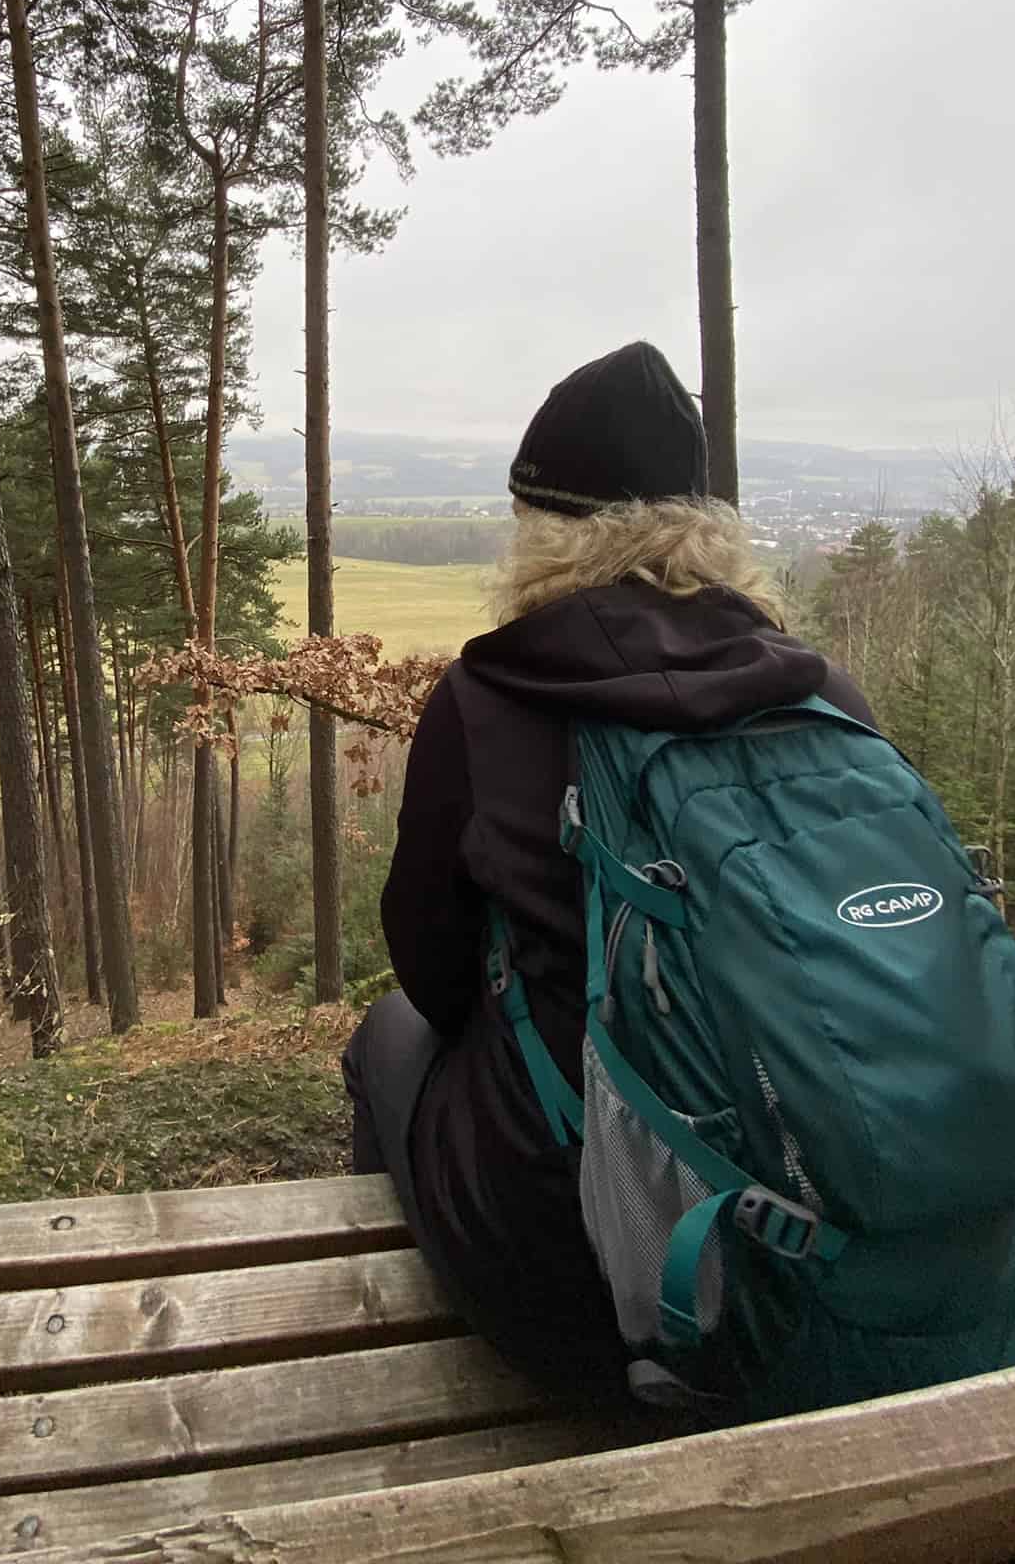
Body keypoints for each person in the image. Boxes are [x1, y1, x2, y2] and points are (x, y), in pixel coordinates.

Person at [342, 339, 875, 1399]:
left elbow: (436, 974)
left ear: (545, 529)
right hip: (851, 1240)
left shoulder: (487, 698)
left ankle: (384, 1363)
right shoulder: (823, 694)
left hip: (593, 1298)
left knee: (387, 1034)